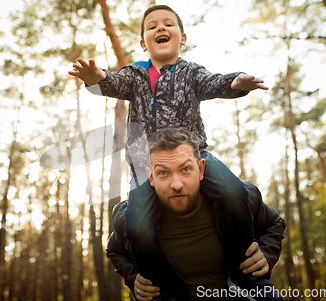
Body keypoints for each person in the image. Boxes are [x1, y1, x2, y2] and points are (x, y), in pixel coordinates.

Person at [68, 5, 271, 298]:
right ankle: (166, 287)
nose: (160, 29)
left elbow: (215, 82)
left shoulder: (191, 73)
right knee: (136, 226)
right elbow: (110, 83)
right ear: (143, 43)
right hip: (146, 167)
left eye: (168, 24)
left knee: (233, 193)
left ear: (182, 37)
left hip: (193, 157)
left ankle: (244, 272)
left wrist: (236, 82)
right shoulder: (136, 75)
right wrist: (94, 77)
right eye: (152, 27)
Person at [106, 128, 285, 300]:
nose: (176, 184)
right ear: (150, 178)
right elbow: (114, 250)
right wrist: (134, 278)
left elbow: (274, 223)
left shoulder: (242, 201)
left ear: (201, 169)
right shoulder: (133, 222)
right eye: (163, 173)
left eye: (185, 169)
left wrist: (266, 255)